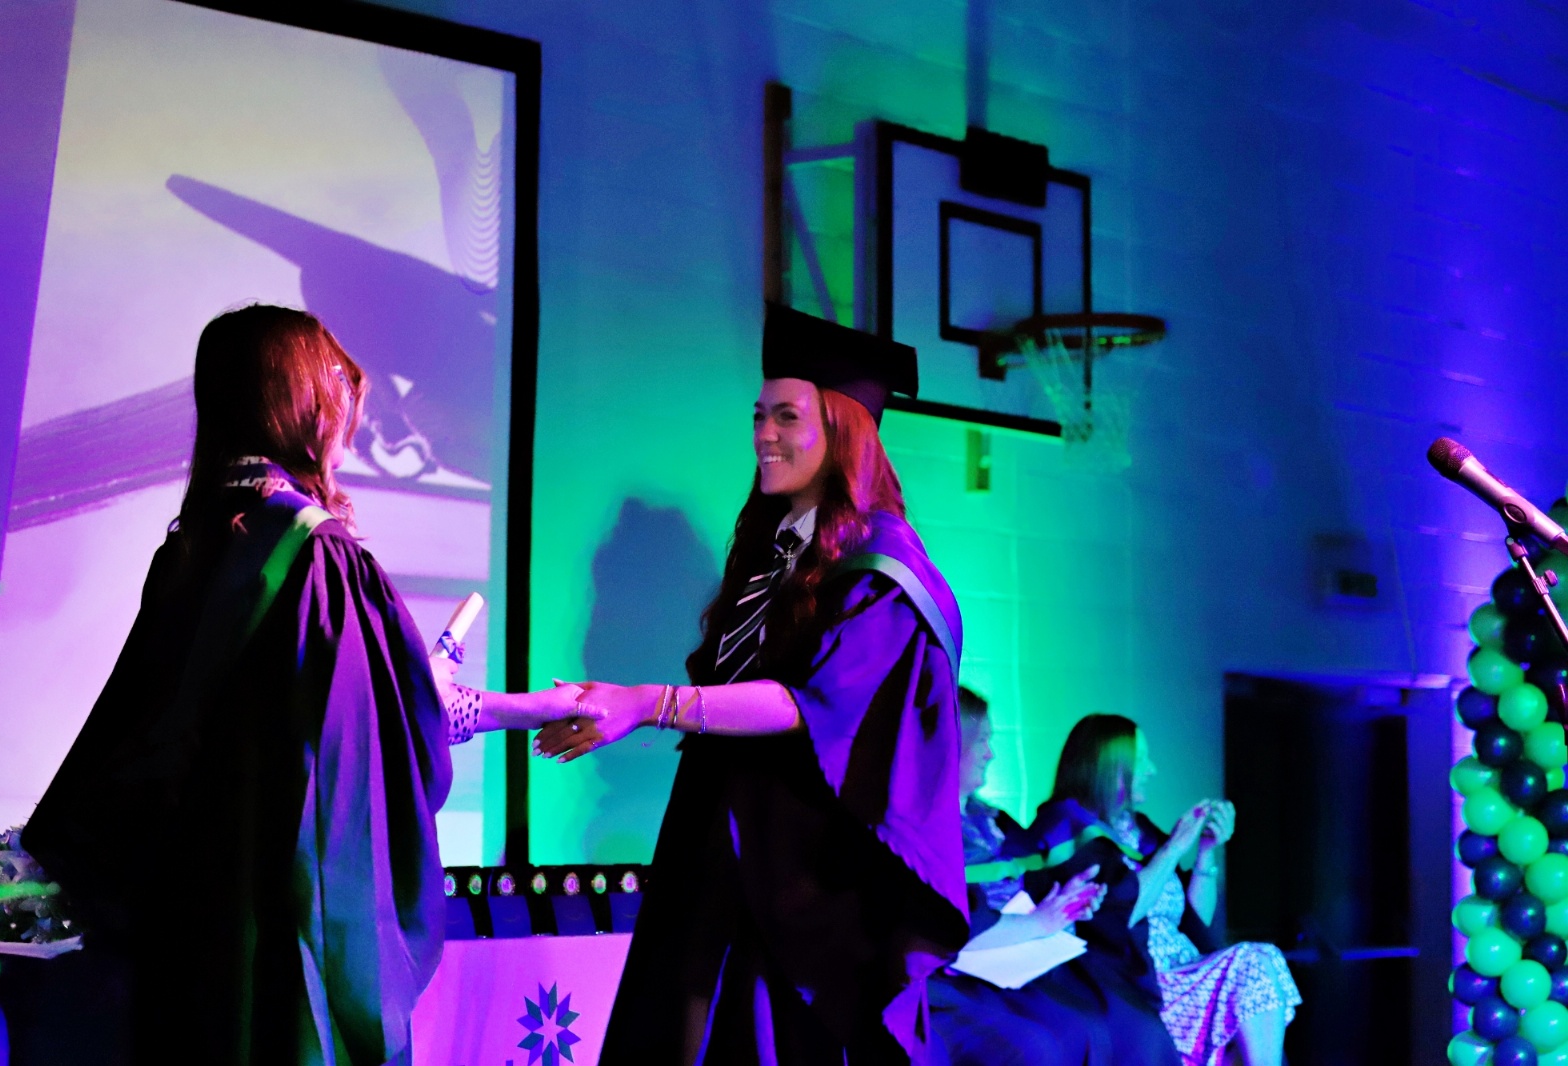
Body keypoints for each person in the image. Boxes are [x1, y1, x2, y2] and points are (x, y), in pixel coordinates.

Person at [20, 305, 580, 1065]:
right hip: (273, 923)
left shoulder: (193, 543)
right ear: (297, 399)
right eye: (336, 386)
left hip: (181, 919)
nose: (351, 410)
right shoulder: (317, 556)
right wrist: (520, 707)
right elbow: (374, 751)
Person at [535, 303, 968, 1064]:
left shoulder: (883, 570)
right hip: (717, 843)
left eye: (787, 416)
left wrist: (648, 705)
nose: (764, 434)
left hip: (802, 881)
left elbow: (814, 708)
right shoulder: (776, 554)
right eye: (759, 416)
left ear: (843, 430)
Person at [929, 688, 1185, 1065]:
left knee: (1134, 1027)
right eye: (983, 740)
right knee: (1066, 1034)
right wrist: (1043, 918)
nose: (990, 753)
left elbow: (1033, 886)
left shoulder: (995, 822)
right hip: (971, 969)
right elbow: (961, 918)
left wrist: (1066, 901)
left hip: (1029, 951)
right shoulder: (928, 830)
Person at [1027, 714, 1300, 1066]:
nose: (1152, 770)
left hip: (1187, 971)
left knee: (1259, 967)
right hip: (1138, 983)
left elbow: (1193, 922)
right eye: (1141, 760)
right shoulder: (1066, 828)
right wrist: (1173, 849)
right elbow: (1118, 917)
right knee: (1255, 963)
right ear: (1110, 766)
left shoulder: (1139, 830)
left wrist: (1205, 851)